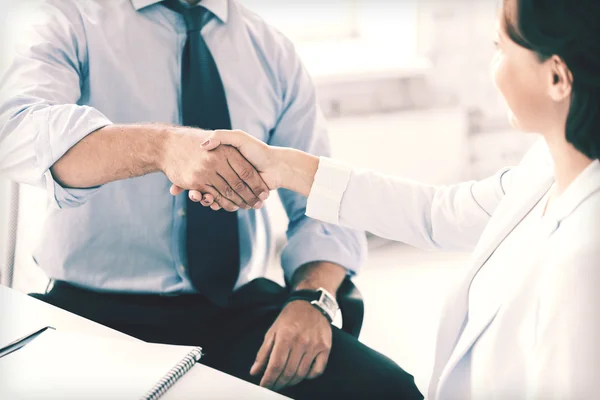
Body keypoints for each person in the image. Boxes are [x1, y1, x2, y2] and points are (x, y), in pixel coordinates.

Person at [0, 0, 424, 399]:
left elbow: (325, 204)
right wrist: (160, 147)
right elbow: (17, 130)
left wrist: (314, 299)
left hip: (236, 312)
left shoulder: (270, 50)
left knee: (391, 391)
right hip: (91, 316)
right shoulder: (70, 18)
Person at [193, 0, 600, 398]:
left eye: (501, 49)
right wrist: (282, 166)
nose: (493, 70)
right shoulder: (544, 168)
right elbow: (436, 214)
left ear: (557, 79)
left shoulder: (585, 260)